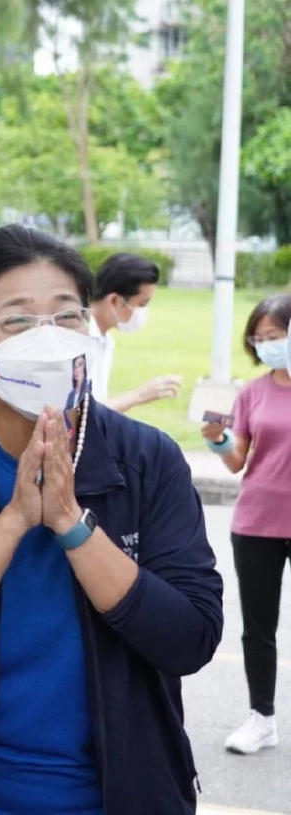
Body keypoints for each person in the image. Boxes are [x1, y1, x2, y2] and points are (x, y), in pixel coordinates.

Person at [0, 224, 222, 815]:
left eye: (66, 316)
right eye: (17, 321)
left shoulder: (147, 459)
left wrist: (73, 525)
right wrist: (12, 522)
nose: (49, 338)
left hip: (122, 796)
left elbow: (190, 637)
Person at [203, 293, 291, 756]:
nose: (265, 345)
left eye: (274, 336)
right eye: (258, 339)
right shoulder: (253, 392)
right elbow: (237, 460)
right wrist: (218, 439)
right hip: (257, 523)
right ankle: (262, 719)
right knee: (258, 627)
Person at [89, 253, 181, 411]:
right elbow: (81, 416)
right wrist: (139, 395)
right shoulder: (78, 339)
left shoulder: (105, 341)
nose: (143, 312)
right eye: (142, 304)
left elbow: (99, 412)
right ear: (115, 300)